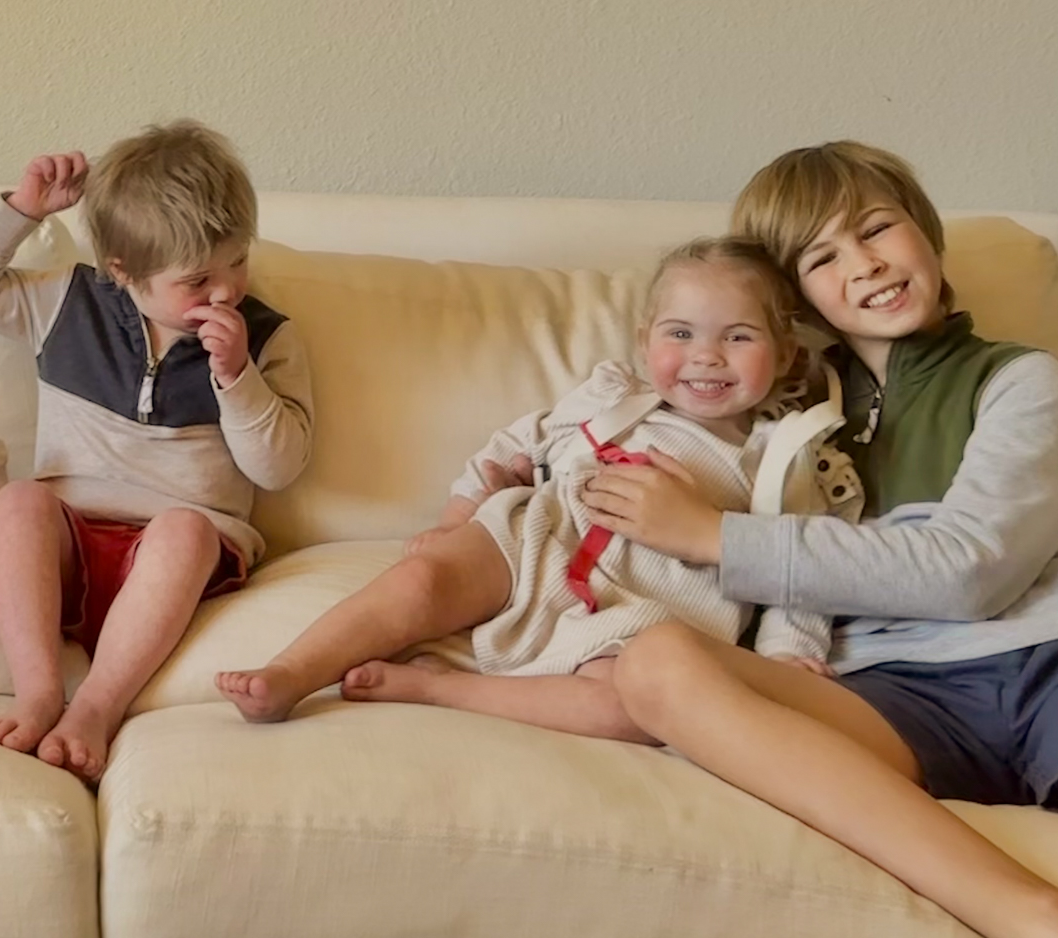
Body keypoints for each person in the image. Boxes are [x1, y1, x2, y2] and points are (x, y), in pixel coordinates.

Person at [588, 142, 1058, 938]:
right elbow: (608, 436)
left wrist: (712, 535)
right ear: (793, 298)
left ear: (926, 232)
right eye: (823, 256)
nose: (866, 264)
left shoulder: (1021, 380)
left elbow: (974, 570)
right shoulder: (772, 408)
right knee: (656, 663)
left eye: (877, 228)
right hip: (893, 693)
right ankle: (1041, 918)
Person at [217, 238, 855, 742]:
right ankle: (291, 673)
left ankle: (441, 688)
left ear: (787, 355)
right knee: (421, 579)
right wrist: (459, 516)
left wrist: (785, 656)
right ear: (645, 341)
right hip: (532, 541)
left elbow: (798, 572)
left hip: (642, 611)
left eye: (738, 336)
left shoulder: (781, 458)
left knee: (635, 711)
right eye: (681, 333)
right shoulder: (613, 396)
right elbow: (510, 448)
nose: (706, 356)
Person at [0, 120, 313, 781]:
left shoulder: (266, 337)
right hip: (71, 540)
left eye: (238, 262)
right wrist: (22, 211)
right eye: (197, 280)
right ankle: (39, 692)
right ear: (123, 272)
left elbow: (278, 469)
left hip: (184, 556)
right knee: (19, 501)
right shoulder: (67, 304)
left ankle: (98, 709)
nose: (226, 291)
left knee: (182, 531)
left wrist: (237, 379)